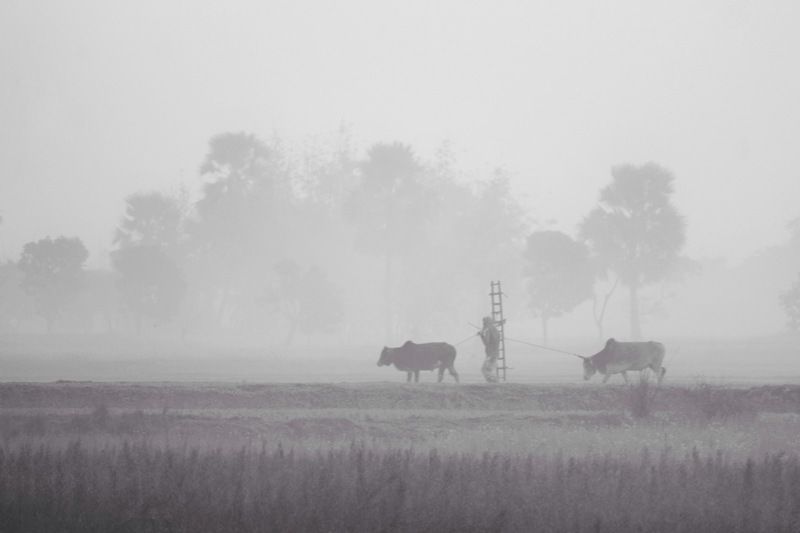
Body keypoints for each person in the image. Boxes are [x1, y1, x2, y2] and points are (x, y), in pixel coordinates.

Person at [478, 316, 500, 383]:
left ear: (486, 323)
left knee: (485, 370)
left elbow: (486, 343)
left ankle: (495, 383)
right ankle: (494, 384)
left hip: (490, 354)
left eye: (484, 322)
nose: (483, 324)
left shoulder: (488, 330)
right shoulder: (495, 330)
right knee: (489, 370)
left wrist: (481, 335)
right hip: (495, 353)